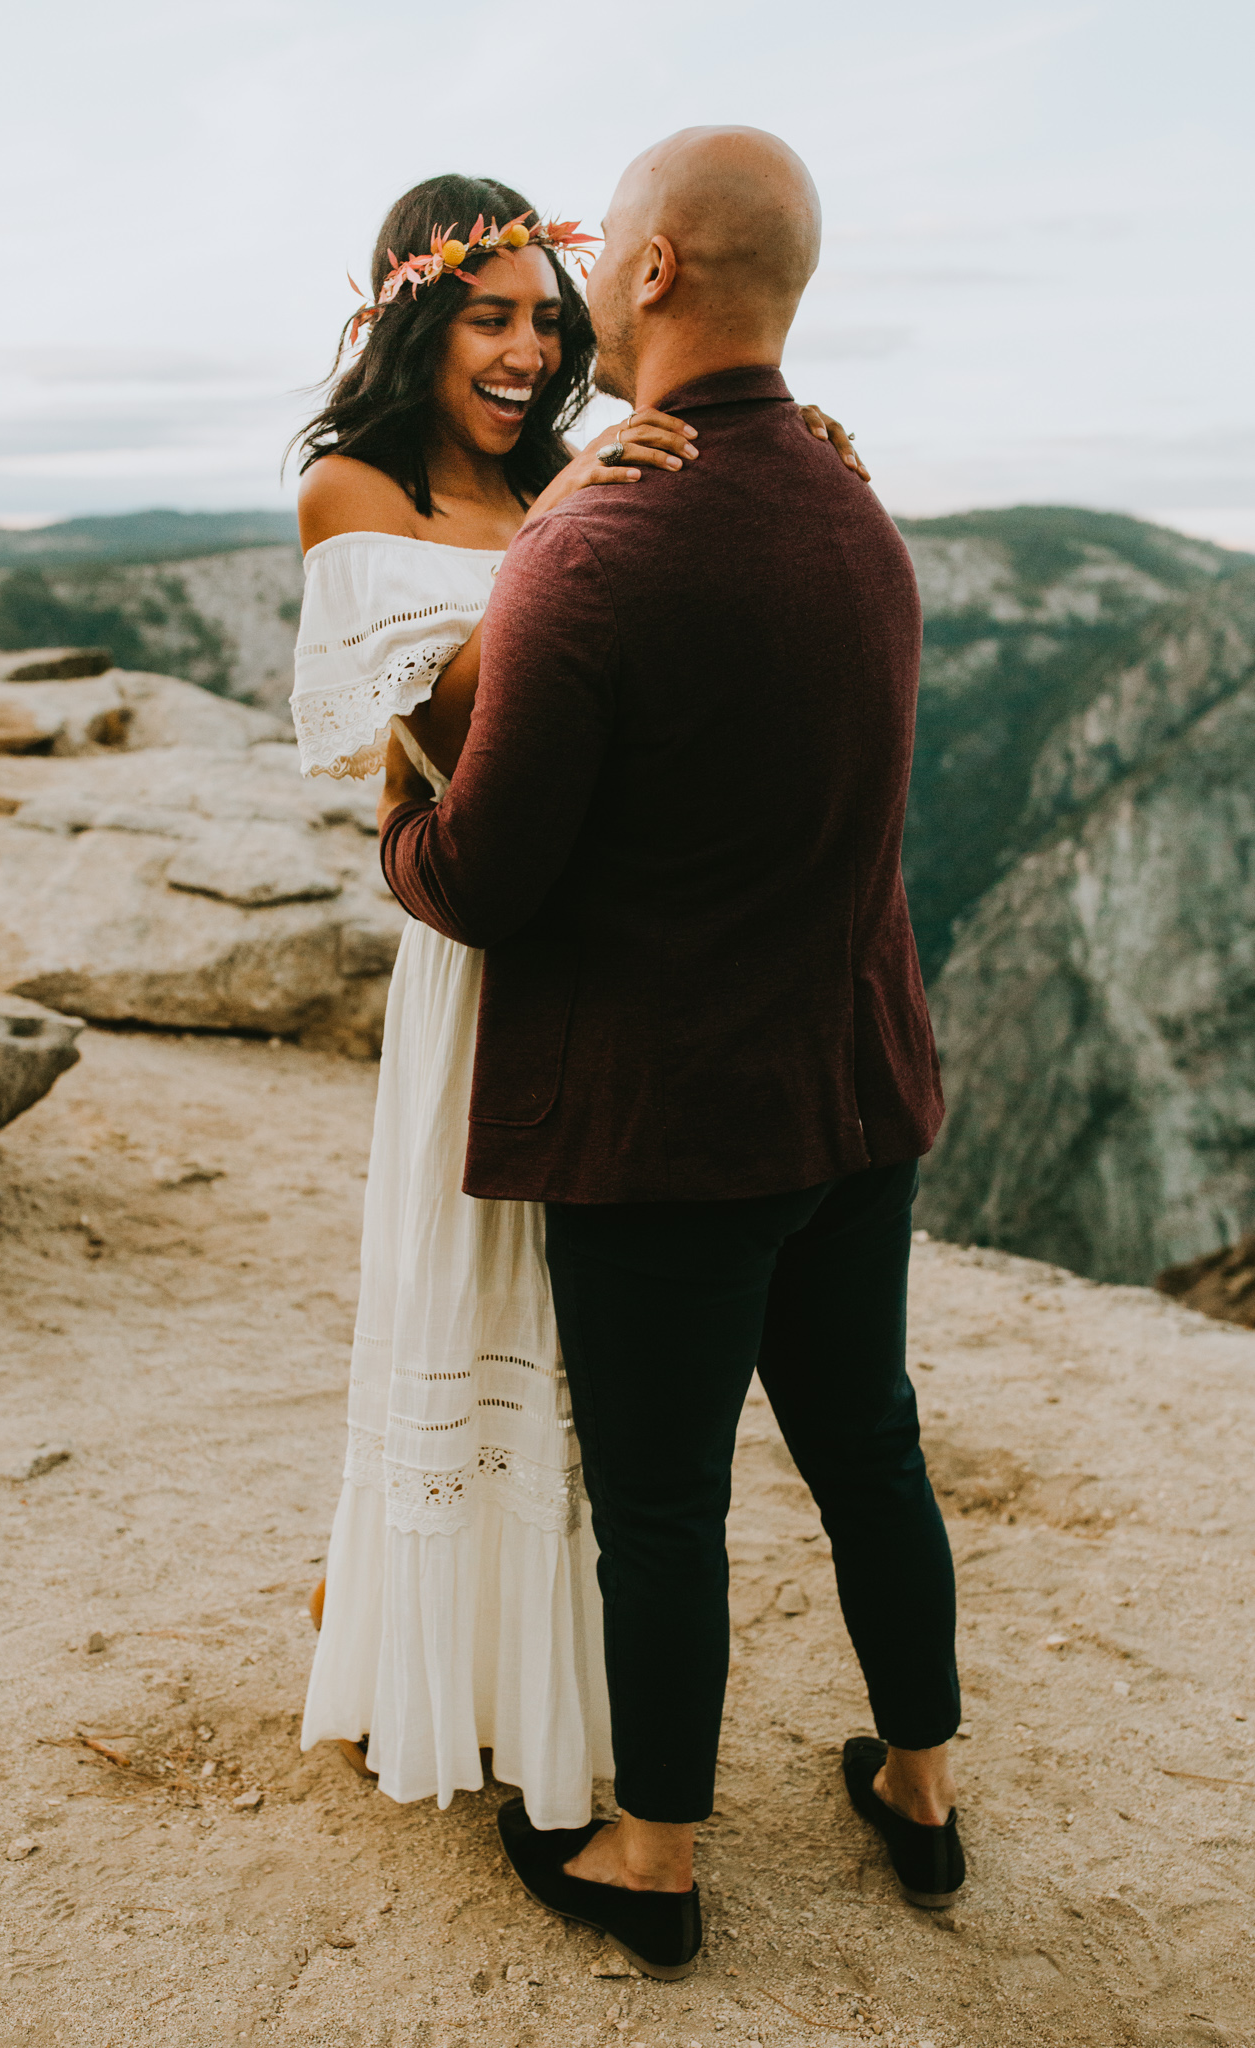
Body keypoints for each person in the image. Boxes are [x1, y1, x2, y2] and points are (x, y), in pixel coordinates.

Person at [376, 127, 963, 1980]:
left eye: (598, 250)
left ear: (649, 272)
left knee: (659, 1502)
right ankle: (923, 1787)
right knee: (871, 1446)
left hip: (669, 1130)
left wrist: (391, 820)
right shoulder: (856, 512)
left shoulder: (601, 544)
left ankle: (652, 1851)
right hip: (854, 1091)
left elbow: (478, 878)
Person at [290, 172, 867, 1830]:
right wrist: (563, 531)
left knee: (576, 1344)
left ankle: (547, 1675)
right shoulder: (352, 489)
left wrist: (777, 451)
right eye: (492, 316)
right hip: (477, 957)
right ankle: (419, 1646)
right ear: (419, 321)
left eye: (551, 320)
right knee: (458, 1304)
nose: (530, 351)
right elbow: (441, 717)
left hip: (603, 968)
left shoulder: (577, 467)